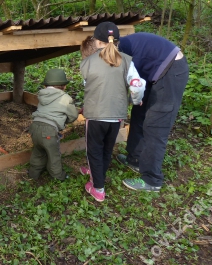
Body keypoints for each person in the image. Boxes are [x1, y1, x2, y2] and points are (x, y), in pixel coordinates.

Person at [79, 22, 145, 202]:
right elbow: (137, 86)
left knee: (94, 149)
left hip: (95, 115)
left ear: (96, 41)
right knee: (107, 148)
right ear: (117, 42)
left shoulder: (87, 63)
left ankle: (98, 187)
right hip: (117, 116)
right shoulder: (127, 61)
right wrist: (136, 101)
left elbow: (88, 86)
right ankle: (96, 171)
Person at [117, 32, 189, 192]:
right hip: (153, 70)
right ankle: (135, 159)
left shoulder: (120, 52)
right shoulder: (118, 47)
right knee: (139, 112)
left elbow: (126, 83)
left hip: (171, 70)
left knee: (155, 124)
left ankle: (152, 179)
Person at [28, 69, 79, 181]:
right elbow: (73, 116)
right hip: (49, 131)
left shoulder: (42, 95)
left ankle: (33, 173)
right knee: (54, 155)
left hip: (34, 127)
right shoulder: (65, 98)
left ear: (46, 85)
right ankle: (58, 177)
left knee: (38, 151)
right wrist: (65, 121)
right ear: (64, 86)